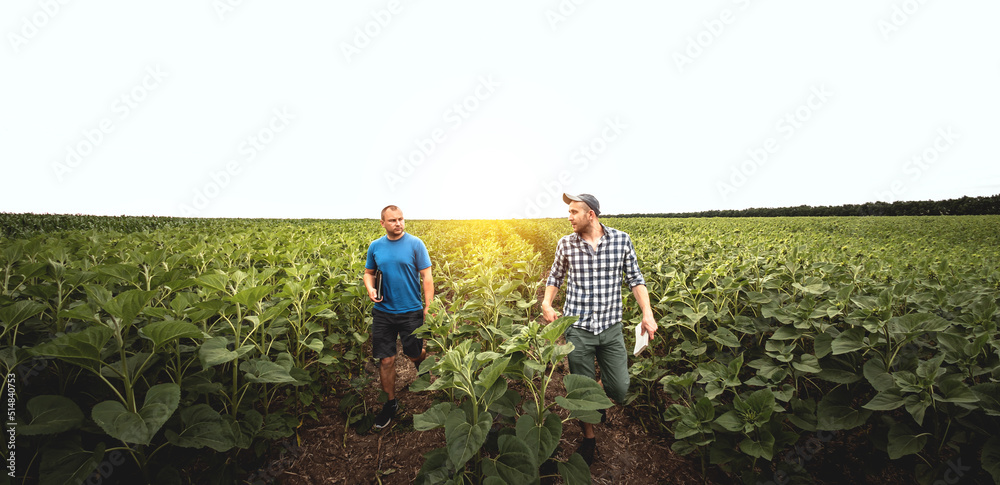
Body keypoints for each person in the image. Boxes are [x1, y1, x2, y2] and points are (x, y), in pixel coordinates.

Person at [540, 193, 657, 465]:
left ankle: (597, 395)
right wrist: (546, 302)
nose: (568, 217)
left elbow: (635, 279)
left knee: (619, 387)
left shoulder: (621, 240)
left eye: (573, 212)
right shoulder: (566, 244)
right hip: (578, 329)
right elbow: (555, 276)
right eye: (568, 212)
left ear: (590, 214)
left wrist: (647, 313)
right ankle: (589, 437)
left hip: (610, 327)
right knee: (580, 392)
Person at [363, 205, 434, 429]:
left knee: (414, 354)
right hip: (383, 313)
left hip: (410, 311)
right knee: (386, 359)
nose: (398, 223)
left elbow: (427, 277)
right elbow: (368, 273)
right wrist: (370, 289)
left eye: (401, 219)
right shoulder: (375, 246)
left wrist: (428, 307)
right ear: (383, 223)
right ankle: (390, 404)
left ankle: (423, 367)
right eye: (393, 220)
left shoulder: (416, 244)